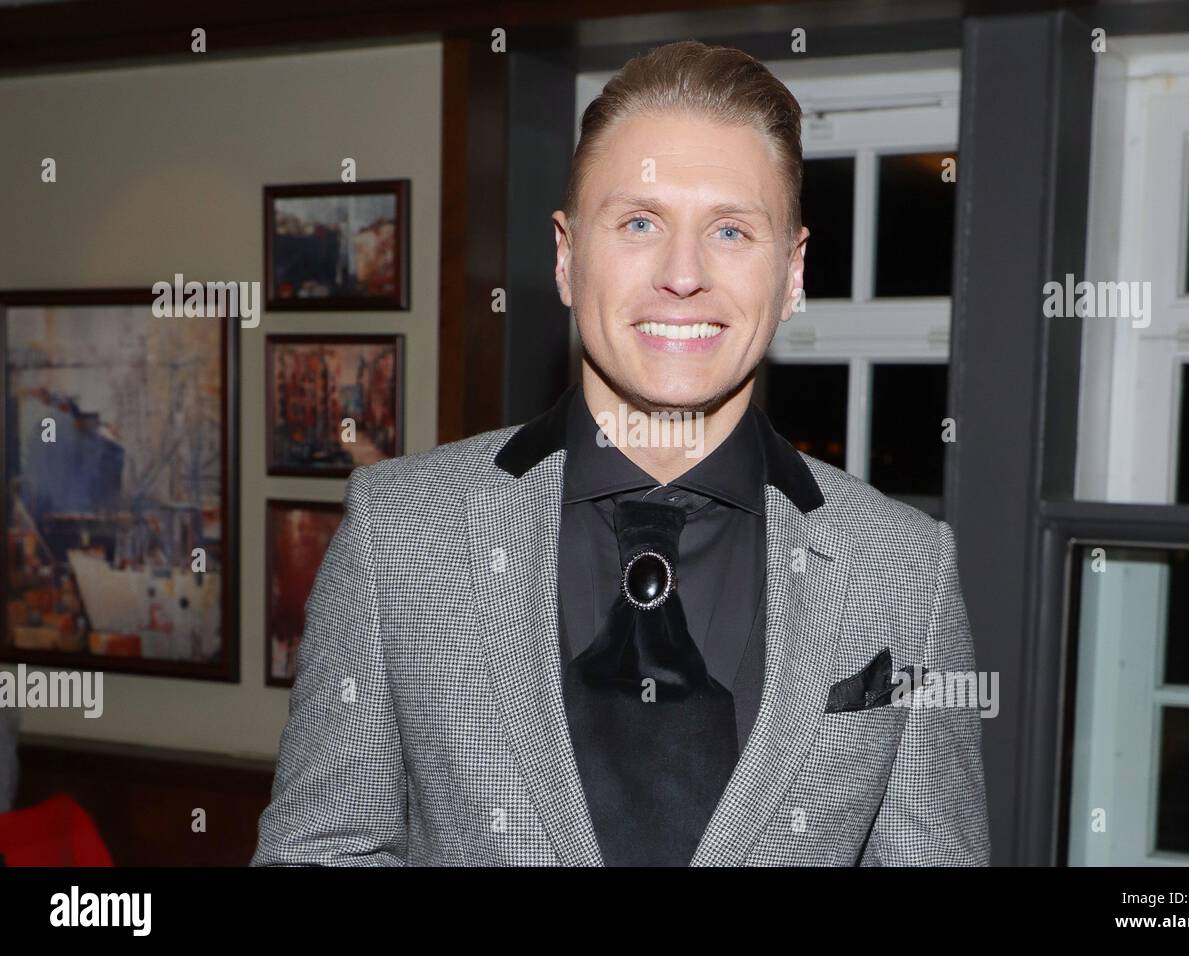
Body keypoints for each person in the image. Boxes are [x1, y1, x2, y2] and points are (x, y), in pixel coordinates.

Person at [252, 39, 989, 866]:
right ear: (567, 257)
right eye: (639, 222)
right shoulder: (401, 533)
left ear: (792, 271)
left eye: (732, 231)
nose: (683, 274)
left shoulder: (904, 571)